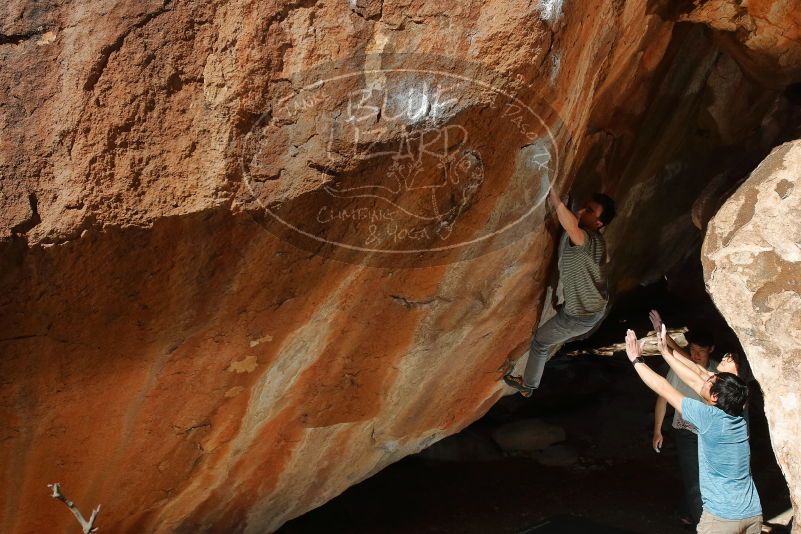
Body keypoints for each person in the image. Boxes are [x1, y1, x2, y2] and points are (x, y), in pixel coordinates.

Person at [626, 325, 762, 534]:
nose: (704, 380)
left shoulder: (707, 418)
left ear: (714, 397)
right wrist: (665, 350)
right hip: (752, 512)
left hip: (722, 518)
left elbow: (664, 388)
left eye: (709, 382)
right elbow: (697, 373)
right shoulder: (739, 409)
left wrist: (636, 360)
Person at [503, 189, 616, 396]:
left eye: (589, 210)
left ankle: (528, 386)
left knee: (541, 341)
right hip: (590, 307)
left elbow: (572, 227)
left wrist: (553, 197)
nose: (582, 210)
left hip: (580, 317)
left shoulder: (587, 239)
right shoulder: (596, 239)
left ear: (599, 224)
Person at [649, 314, 720, 527]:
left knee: (706, 477)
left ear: (711, 349)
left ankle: (686, 510)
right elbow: (663, 397)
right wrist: (657, 430)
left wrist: (665, 336)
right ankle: (704, 527)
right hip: (686, 430)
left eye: (701, 350)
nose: (696, 355)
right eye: (693, 350)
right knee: (695, 480)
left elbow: (688, 363)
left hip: (710, 433)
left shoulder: (716, 372)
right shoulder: (680, 369)